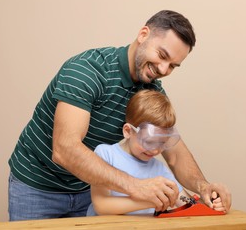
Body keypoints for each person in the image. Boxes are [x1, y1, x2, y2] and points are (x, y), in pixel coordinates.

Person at [8, 10, 231, 221]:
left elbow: (174, 153)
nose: (163, 70)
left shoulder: (152, 90)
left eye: (173, 65)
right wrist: (136, 187)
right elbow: (65, 150)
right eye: (162, 55)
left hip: (91, 187)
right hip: (37, 185)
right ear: (143, 35)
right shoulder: (87, 71)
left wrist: (203, 188)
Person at [86, 89, 226, 215]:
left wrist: (212, 203)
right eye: (149, 141)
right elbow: (102, 206)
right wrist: (151, 200)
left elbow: (187, 204)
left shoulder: (159, 170)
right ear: (128, 131)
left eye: (162, 143)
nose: (156, 150)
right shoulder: (105, 155)